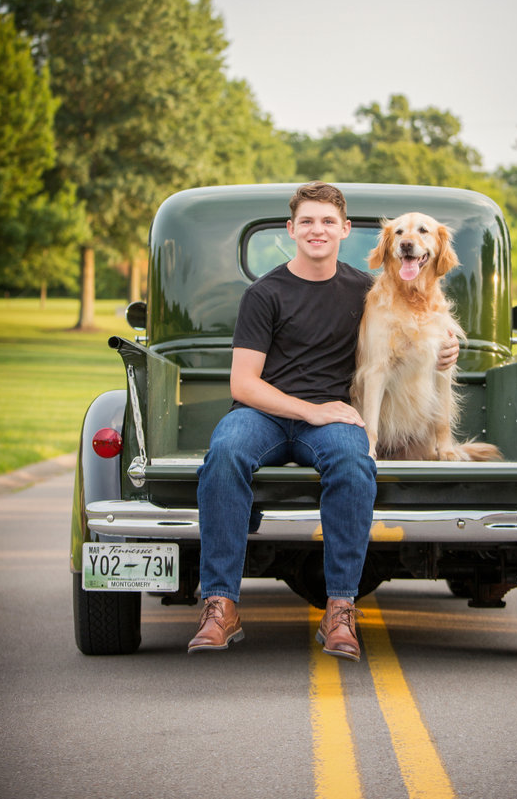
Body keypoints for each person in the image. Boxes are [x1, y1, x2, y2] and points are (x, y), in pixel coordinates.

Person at [188, 181, 459, 661]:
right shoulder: (264, 293)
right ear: (291, 230)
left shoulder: (366, 290)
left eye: (328, 221)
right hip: (264, 414)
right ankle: (220, 605)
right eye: (308, 221)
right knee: (225, 453)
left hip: (332, 420)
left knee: (356, 463)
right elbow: (243, 384)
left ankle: (340, 609)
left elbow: (416, 320)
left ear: (345, 230)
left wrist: (447, 347)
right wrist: (309, 410)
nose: (318, 230)